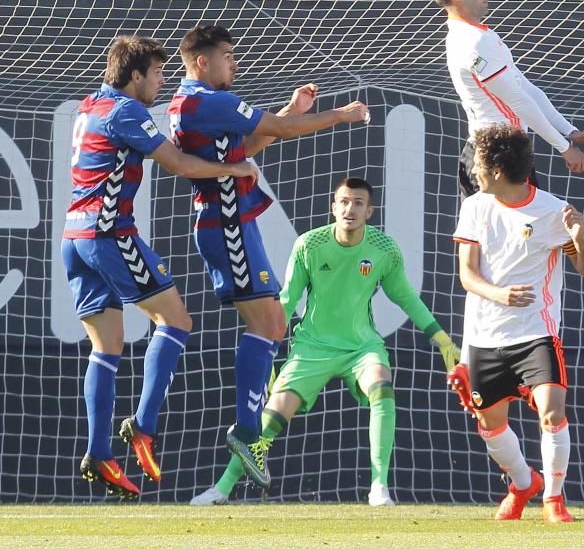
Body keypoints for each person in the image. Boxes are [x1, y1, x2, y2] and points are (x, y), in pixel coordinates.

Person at [168, 25, 370, 488]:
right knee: (267, 325)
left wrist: (291, 111)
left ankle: (248, 428)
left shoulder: (195, 104)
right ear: (202, 61)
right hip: (228, 225)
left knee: (274, 324)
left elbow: (253, 143)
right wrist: (337, 115)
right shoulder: (206, 100)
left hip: (234, 223)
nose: (234, 64)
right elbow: (275, 129)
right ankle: (246, 430)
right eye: (227, 55)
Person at [62, 36, 259, 499]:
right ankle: (144, 426)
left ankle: (99, 453)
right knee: (176, 320)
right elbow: (181, 164)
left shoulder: (90, 105)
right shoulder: (126, 111)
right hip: (110, 235)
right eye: (156, 73)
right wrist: (234, 170)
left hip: (74, 237)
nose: (162, 81)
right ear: (135, 77)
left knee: (106, 347)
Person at [190, 177, 460, 506]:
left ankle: (379, 488)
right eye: (344, 202)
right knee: (270, 417)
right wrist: (269, 351)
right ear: (333, 207)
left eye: (358, 203)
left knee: (382, 388)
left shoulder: (384, 249)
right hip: (311, 347)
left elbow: (406, 298)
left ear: (369, 211)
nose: (350, 208)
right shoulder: (309, 245)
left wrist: (443, 340)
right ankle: (221, 489)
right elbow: (287, 300)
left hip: (362, 346)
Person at [449, 124, 584, 523]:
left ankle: (554, 499)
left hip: (537, 333)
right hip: (486, 336)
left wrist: (579, 239)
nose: (474, 170)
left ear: (497, 169)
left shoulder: (552, 212)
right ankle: (521, 482)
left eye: (479, 164)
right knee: (490, 424)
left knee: (551, 411)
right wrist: (500, 294)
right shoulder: (475, 207)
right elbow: (467, 275)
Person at [431, 0, 584, 199]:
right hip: (493, 156)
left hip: (506, 153)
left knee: (525, 233)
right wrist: (564, 148)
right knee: (503, 234)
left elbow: (526, 89)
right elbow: (517, 100)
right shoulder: (471, 42)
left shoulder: (481, 36)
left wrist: (569, 131)